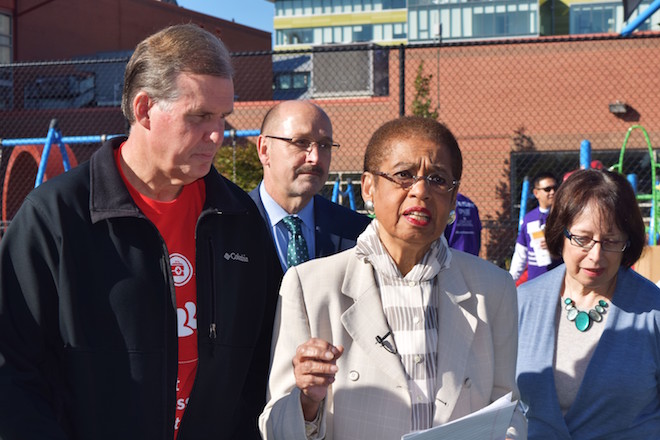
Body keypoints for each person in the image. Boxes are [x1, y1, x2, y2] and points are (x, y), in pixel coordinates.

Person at [0, 24, 279, 439]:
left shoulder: (238, 219)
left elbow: (262, 365)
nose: (218, 134)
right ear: (145, 109)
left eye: (222, 117)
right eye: (200, 116)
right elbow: (13, 372)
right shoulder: (56, 217)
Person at [259, 116, 526, 440]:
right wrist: (307, 401)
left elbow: (507, 412)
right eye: (404, 175)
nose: (421, 191)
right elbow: (276, 428)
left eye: (438, 179)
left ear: (454, 197)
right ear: (368, 186)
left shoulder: (492, 289)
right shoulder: (312, 287)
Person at [516, 169, 660, 438]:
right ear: (561, 233)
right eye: (582, 239)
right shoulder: (522, 303)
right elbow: (503, 400)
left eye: (611, 241)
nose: (596, 256)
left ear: (627, 242)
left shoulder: (654, 312)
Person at [249, 100, 370, 272]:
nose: (315, 157)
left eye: (324, 145)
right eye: (301, 142)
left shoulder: (357, 233)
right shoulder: (227, 227)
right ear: (264, 150)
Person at [509, 171, 562, 283]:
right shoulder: (529, 218)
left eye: (555, 188)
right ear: (536, 193)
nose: (552, 192)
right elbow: (520, 254)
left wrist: (554, 246)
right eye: (547, 189)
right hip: (535, 280)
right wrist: (510, 280)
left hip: (559, 280)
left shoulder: (563, 217)